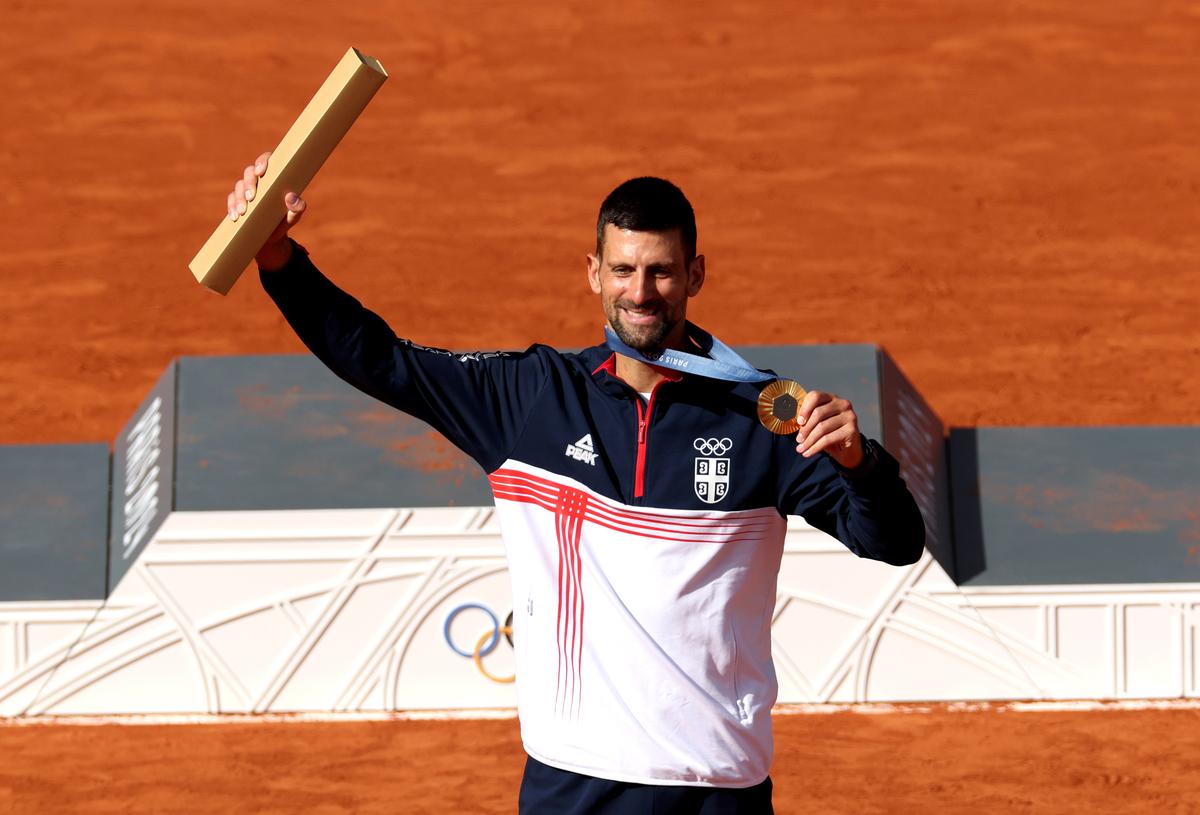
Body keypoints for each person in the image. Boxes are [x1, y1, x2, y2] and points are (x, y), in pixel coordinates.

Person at [227, 152, 926, 814]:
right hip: (575, 780)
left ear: (696, 274)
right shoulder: (532, 398)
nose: (641, 292)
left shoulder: (762, 416)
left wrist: (859, 463)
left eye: (661, 271)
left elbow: (893, 541)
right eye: (623, 270)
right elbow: (381, 359)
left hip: (716, 783)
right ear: (593, 272)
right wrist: (278, 259)